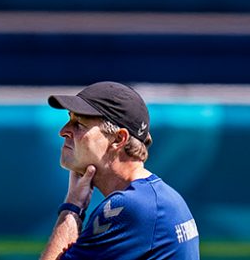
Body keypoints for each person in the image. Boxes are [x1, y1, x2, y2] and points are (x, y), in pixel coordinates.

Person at [41, 81, 200, 260]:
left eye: (78, 124)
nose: (63, 131)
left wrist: (71, 208)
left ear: (118, 139)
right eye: (69, 120)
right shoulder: (161, 197)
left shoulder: (130, 207)